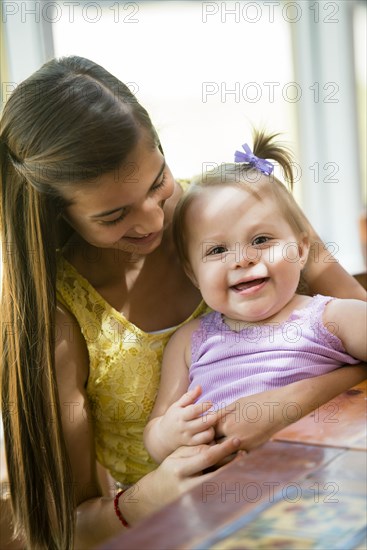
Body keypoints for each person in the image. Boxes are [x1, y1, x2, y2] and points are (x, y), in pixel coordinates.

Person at [0, 57, 365, 550]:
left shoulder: (233, 207)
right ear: (55, 211)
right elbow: (69, 531)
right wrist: (156, 492)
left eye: (157, 183)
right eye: (113, 216)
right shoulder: (58, 318)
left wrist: (286, 406)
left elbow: (354, 328)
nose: (153, 220)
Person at [144, 132, 367, 464]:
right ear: (193, 274)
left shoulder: (329, 318)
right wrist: (168, 433)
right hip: (228, 498)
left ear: (302, 248)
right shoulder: (190, 341)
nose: (242, 259)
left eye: (261, 239)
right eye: (218, 250)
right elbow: (156, 432)